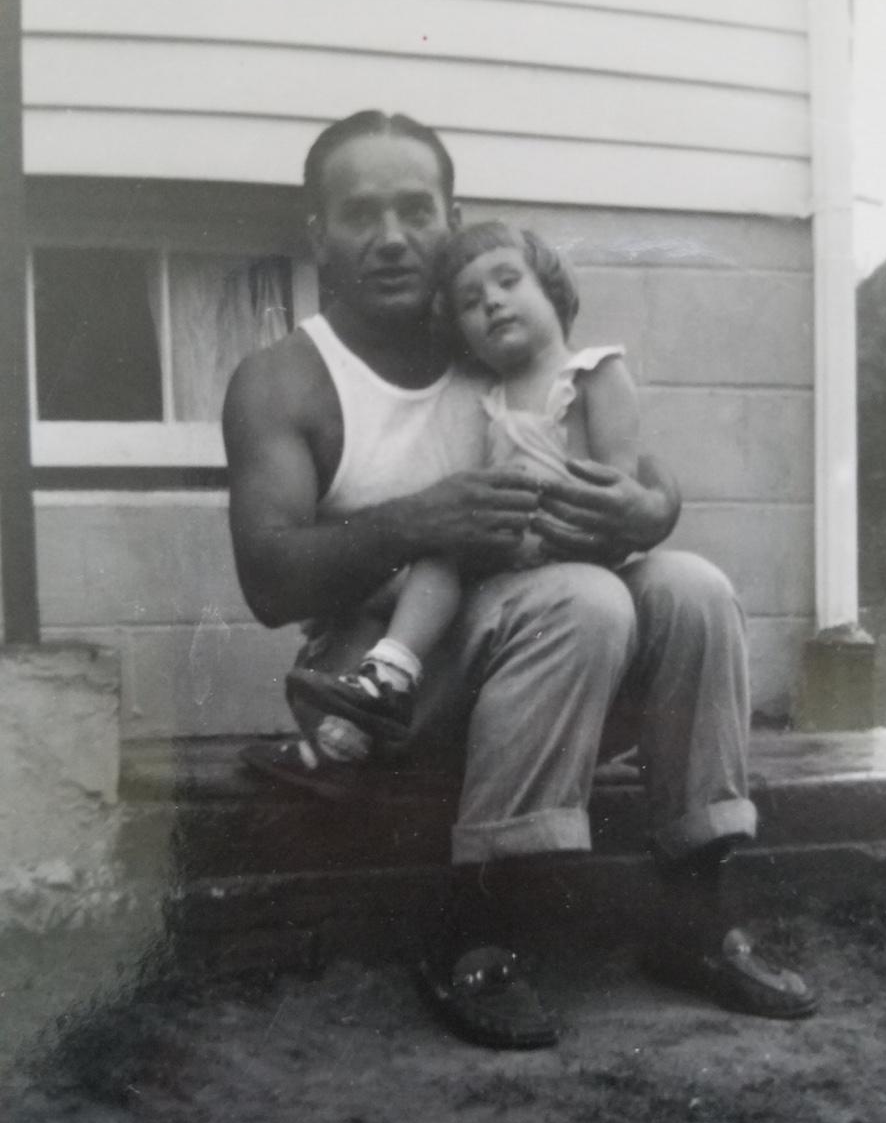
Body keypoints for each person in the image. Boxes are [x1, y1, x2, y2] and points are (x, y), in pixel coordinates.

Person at [224, 109, 817, 1051]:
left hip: (550, 662)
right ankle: (483, 928)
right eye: (360, 214)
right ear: (317, 236)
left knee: (692, 586)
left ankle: (695, 917)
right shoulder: (287, 378)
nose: (390, 238)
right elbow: (266, 581)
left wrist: (650, 511)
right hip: (380, 682)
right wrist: (423, 520)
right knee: (579, 600)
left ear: (452, 215)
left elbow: (640, 472)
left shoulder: (497, 343)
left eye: (417, 209)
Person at [285, 219, 643, 759]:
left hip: (571, 553)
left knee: (441, 557)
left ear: (551, 287)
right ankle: (378, 689)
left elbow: (623, 495)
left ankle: (371, 694)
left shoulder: (595, 374)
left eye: (507, 281)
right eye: (472, 302)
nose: (493, 303)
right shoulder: (488, 398)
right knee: (435, 554)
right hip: (507, 561)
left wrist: (571, 530)